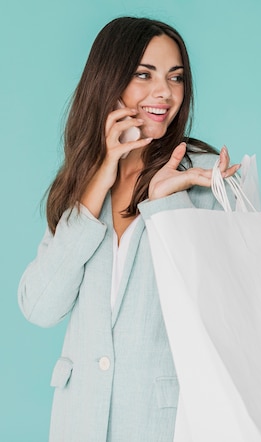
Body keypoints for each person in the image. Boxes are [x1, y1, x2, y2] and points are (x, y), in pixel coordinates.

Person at [18, 17, 238, 442]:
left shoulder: (208, 176)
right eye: (144, 75)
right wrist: (98, 180)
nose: (165, 92)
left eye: (176, 78)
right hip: (77, 423)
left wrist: (165, 203)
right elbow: (40, 306)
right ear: (109, 81)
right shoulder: (80, 183)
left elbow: (224, 310)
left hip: (163, 424)